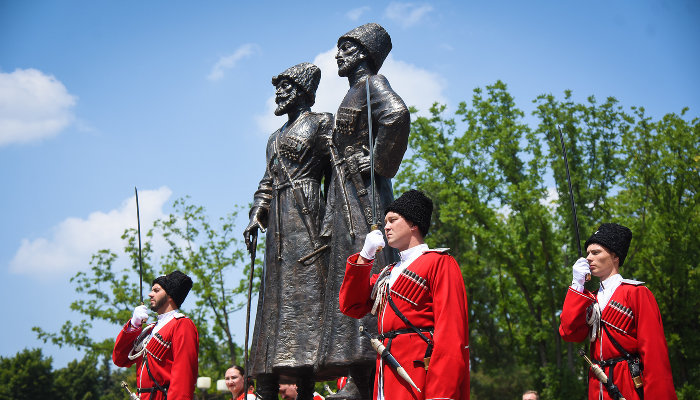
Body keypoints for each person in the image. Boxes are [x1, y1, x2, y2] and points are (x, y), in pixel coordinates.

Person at [318, 22, 410, 398]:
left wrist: (376, 161)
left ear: (362, 54)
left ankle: (365, 374)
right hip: (345, 198)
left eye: (345, 48)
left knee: (366, 270)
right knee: (350, 271)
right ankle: (358, 373)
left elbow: (397, 114)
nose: (337, 56)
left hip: (366, 197)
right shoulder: (351, 94)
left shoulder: (373, 85)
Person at [243, 62, 332, 400]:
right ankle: (266, 379)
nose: (278, 94)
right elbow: (266, 182)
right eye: (277, 88)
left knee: (309, 303)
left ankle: (307, 385)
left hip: (307, 214)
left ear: (302, 91)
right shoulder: (274, 138)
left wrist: (328, 227)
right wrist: (256, 215)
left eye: (285, 87)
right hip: (278, 226)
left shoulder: (321, 122)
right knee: (275, 305)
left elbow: (335, 177)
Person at [338, 190, 470, 400]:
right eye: (385, 221)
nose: (386, 227)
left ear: (413, 224)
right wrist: (365, 256)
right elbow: (350, 305)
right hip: (387, 372)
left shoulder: (439, 263)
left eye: (392, 220)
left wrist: (441, 394)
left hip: (419, 374)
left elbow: (451, 334)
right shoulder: (388, 273)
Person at [559, 223, 677, 400]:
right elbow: (569, 333)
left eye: (596, 252)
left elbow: (655, 355)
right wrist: (577, 285)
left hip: (628, 384)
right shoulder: (590, 298)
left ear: (615, 256)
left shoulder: (636, 293)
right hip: (597, 385)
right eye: (588, 253)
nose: (588, 258)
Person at [113, 270, 199, 400]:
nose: (150, 294)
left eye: (156, 290)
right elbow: (120, 359)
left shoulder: (182, 324)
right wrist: (134, 324)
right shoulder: (150, 329)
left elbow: (184, 375)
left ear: (170, 295)